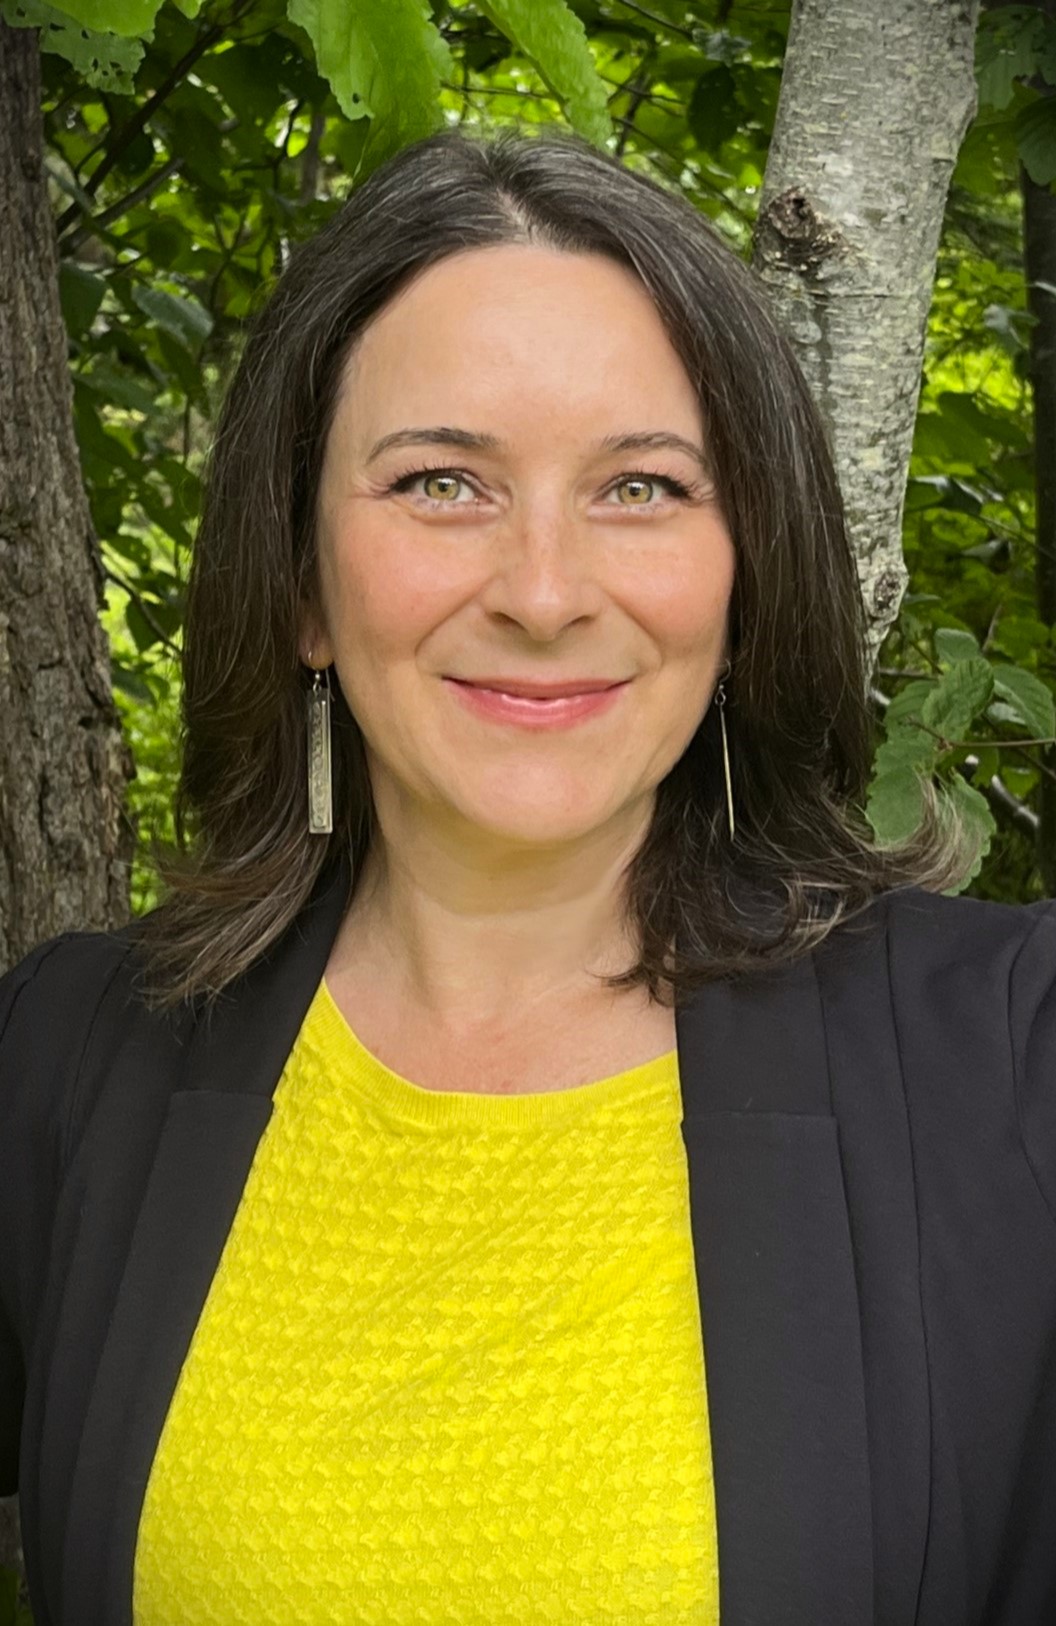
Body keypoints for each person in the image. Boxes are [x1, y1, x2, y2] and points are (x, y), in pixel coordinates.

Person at [1, 123, 1054, 1626]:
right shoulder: (72, 1059)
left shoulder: (1008, 1063)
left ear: (744, 575)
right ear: (301, 584)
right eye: (442, 483)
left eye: (642, 488)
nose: (545, 593)